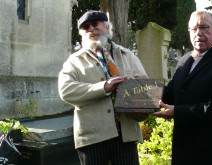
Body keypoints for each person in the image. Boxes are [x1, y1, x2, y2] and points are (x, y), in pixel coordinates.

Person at [153, 10, 212, 165]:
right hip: (184, 147)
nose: (198, 33)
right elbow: (170, 93)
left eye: (204, 27)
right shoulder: (184, 60)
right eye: (193, 29)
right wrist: (139, 95)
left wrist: (177, 111)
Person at [58, 10, 148, 165]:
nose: (91, 29)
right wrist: (104, 87)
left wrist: (130, 89)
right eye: (86, 27)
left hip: (125, 134)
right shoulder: (74, 61)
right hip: (92, 137)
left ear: (107, 27)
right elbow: (66, 90)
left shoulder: (128, 55)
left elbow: (145, 87)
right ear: (81, 33)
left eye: (95, 24)